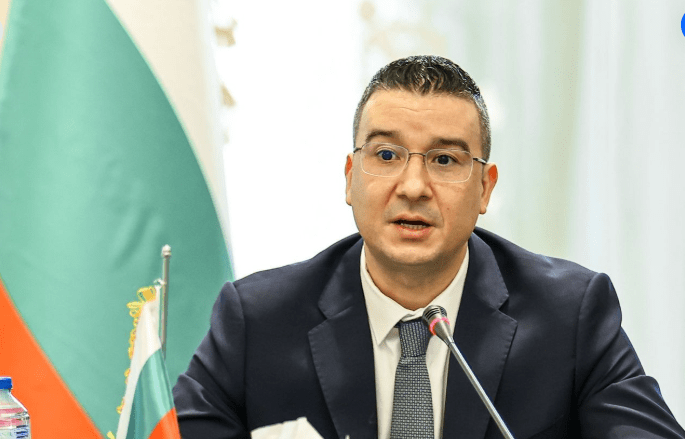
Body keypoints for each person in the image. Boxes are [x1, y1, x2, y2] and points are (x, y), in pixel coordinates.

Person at [173, 55, 685, 439]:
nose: (414, 186)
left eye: (444, 160)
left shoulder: (569, 316)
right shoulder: (258, 321)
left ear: (485, 189)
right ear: (350, 177)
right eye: (387, 155)